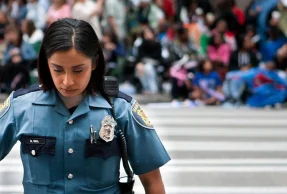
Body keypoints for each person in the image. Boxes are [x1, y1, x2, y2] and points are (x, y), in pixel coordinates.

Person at [0, 18, 170, 194]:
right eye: (58, 69)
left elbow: (152, 183)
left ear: (94, 63)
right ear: (46, 62)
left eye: (78, 70)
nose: (67, 81)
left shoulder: (121, 110)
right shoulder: (20, 107)